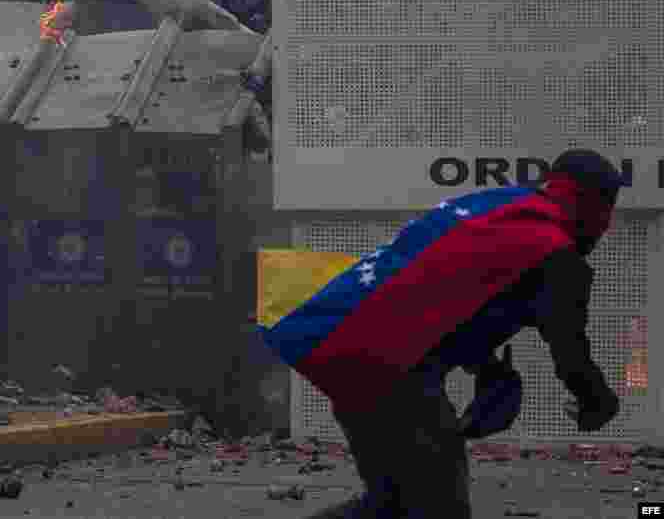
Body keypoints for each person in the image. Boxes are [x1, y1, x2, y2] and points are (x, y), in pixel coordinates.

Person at [262, 149, 624, 519]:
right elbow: (570, 352)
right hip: (390, 370)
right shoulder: (555, 253)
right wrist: (597, 402)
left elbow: (443, 293)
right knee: (440, 509)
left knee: (392, 507)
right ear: (593, 204)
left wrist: (488, 369)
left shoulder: (497, 208)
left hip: (344, 349)